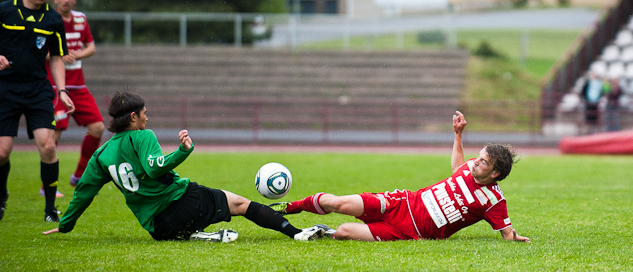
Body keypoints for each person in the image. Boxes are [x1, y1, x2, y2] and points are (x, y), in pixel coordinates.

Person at [43, 92, 331, 242]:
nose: (147, 117)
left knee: (205, 213)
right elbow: (155, 169)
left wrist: (65, 225)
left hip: (157, 227)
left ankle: (198, 234)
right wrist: (182, 151)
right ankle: (296, 232)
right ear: (132, 117)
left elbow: (83, 193)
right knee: (241, 204)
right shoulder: (142, 136)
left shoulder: (101, 154)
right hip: (180, 204)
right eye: (144, 113)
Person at [270, 111, 530, 243]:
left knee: (346, 232)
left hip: (408, 230)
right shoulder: (470, 167)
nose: (475, 162)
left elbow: (506, 233)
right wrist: (458, 135)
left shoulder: (494, 201)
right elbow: (457, 168)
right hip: (402, 201)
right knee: (336, 203)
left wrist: (513, 237)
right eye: (479, 155)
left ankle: (321, 233)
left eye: (483, 161)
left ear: (495, 173)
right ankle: (286, 208)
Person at [0, 0, 75, 223]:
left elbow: (57, 59)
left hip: (37, 89)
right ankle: (2, 194)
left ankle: (50, 210)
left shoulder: (53, 19)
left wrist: (61, 90)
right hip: (3, 88)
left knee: (48, 145)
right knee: (0, 153)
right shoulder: (4, 10)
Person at [44, 0, 105, 192]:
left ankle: (79, 175)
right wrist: (59, 54)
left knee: (97, 127)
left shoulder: (81, 19)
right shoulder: (48, 19)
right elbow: (37, 50)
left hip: (78, 86)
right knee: (55, 134)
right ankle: (47, 185)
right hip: (54, 86)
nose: (66, 0)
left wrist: (77, 54)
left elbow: (92, 47)